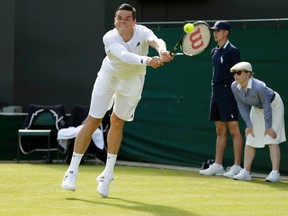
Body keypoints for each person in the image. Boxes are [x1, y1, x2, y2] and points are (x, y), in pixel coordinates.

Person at [61, 3, 173, 197]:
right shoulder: (109, 37)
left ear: (134, 22)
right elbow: (123, 56)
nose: (123, 22)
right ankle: (71, 171)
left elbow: (156, 40)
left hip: (132, 82)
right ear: (115, 20)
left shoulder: (142, 31)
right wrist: (148, 61)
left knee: (117, 121)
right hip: (108, 77)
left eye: (127, 18)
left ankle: (107, 174)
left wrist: (162, 50)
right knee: (93, 120)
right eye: (119, 18)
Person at [199, 21, 243, 178]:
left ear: (226, 32)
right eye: (214, 31)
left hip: (229, 94)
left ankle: (237, 166)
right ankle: (218, 165)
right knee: (220, 130)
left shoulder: (233, 51)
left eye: (218, 31)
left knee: (233, 130)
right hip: (215, 93)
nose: (215, 33)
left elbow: (239, 76)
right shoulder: (214, 52)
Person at [230, 62, 286, 182]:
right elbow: (242, 107)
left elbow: (267, 107)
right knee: (250, 137)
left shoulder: (258, 87)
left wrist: (268, 127)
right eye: (234, 73)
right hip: (256, 108)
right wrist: (249, 126)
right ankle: (246, 171)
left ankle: (275, 172)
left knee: (271, 138)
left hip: (273, 106)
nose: (236, 75)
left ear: (248, 74)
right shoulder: (234, 86)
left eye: (239, 72)